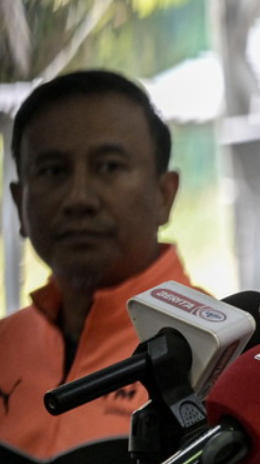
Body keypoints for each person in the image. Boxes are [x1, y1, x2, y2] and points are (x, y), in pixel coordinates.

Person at [0, 70, 195, 463]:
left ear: (165, 194)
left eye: (108, 167)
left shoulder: (217, 353)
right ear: (20, 203)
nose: (79, 198)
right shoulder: (5, 346)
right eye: (53, 171)